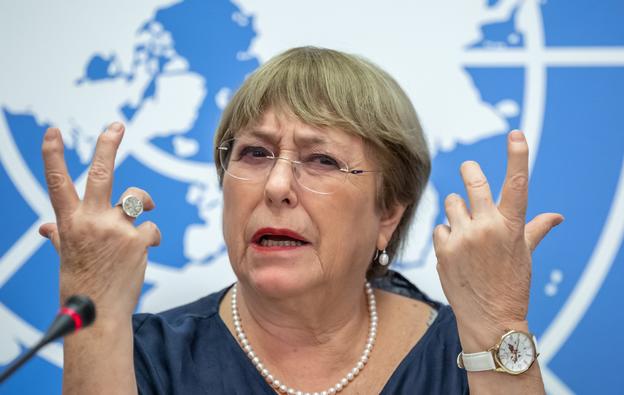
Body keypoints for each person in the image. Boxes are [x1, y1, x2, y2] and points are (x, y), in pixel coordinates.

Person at [39, 47, 563, 394]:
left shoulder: (467, 354)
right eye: (254, 154)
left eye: (322, 160)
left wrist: (499, 323)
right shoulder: (142, 357)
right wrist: (96, 319)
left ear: (388, 212)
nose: (276, 187)